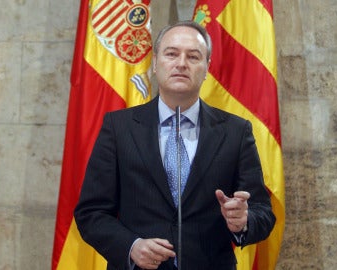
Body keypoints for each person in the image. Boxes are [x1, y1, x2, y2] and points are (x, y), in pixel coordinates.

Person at [74, 20, 276, 270]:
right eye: (171, 54)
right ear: (156, 63)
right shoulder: (119, 127)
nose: (181, 63)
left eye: (193, 57)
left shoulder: (235, 132)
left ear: (206, 68)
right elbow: (91, 213)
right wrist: (131, 246)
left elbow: (263, 213)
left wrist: (243, 221)